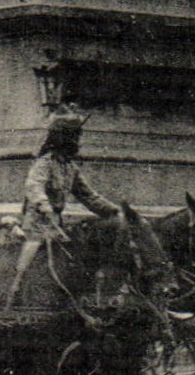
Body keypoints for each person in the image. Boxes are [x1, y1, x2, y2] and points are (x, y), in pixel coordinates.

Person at [10, 111, 121, 307]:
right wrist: (44, 205)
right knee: (34, 247)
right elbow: (33, 186)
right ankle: (16, 286)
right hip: (38, 221)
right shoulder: (44, 163)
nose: (77, 142)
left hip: (57, 223)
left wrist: (113, 211)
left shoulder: (70, 168)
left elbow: (88, 195)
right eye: (73, 137)